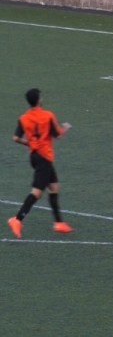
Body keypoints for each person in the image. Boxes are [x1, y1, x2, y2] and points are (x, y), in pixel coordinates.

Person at [7, 88, 73, 239]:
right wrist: (66, 127)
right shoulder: (48, 115)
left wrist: (29, 143)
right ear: (39, 100)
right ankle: (17, 219)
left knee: (54, 187)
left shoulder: (24, 118)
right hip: (44, 157)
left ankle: (59, 223)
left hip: (35, 157)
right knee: (37, 192)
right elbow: (58, 134)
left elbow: (16, 138)